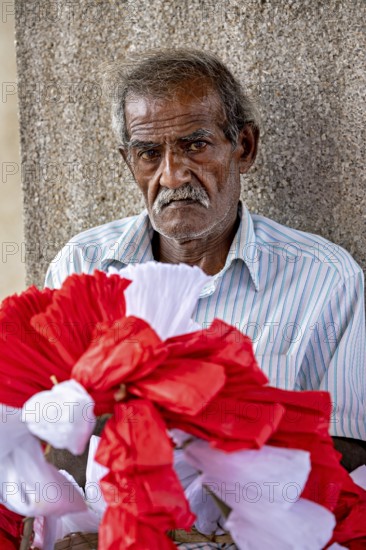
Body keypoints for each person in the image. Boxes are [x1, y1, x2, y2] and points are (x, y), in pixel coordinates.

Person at [45, 50, 365, 478]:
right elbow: (54, 438)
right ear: (128, 162)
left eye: (195, 146)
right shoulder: (83, 267)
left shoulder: (326, 279)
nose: (173, 175)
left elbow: (351, 448)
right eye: (148, 154)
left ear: (244, 148)